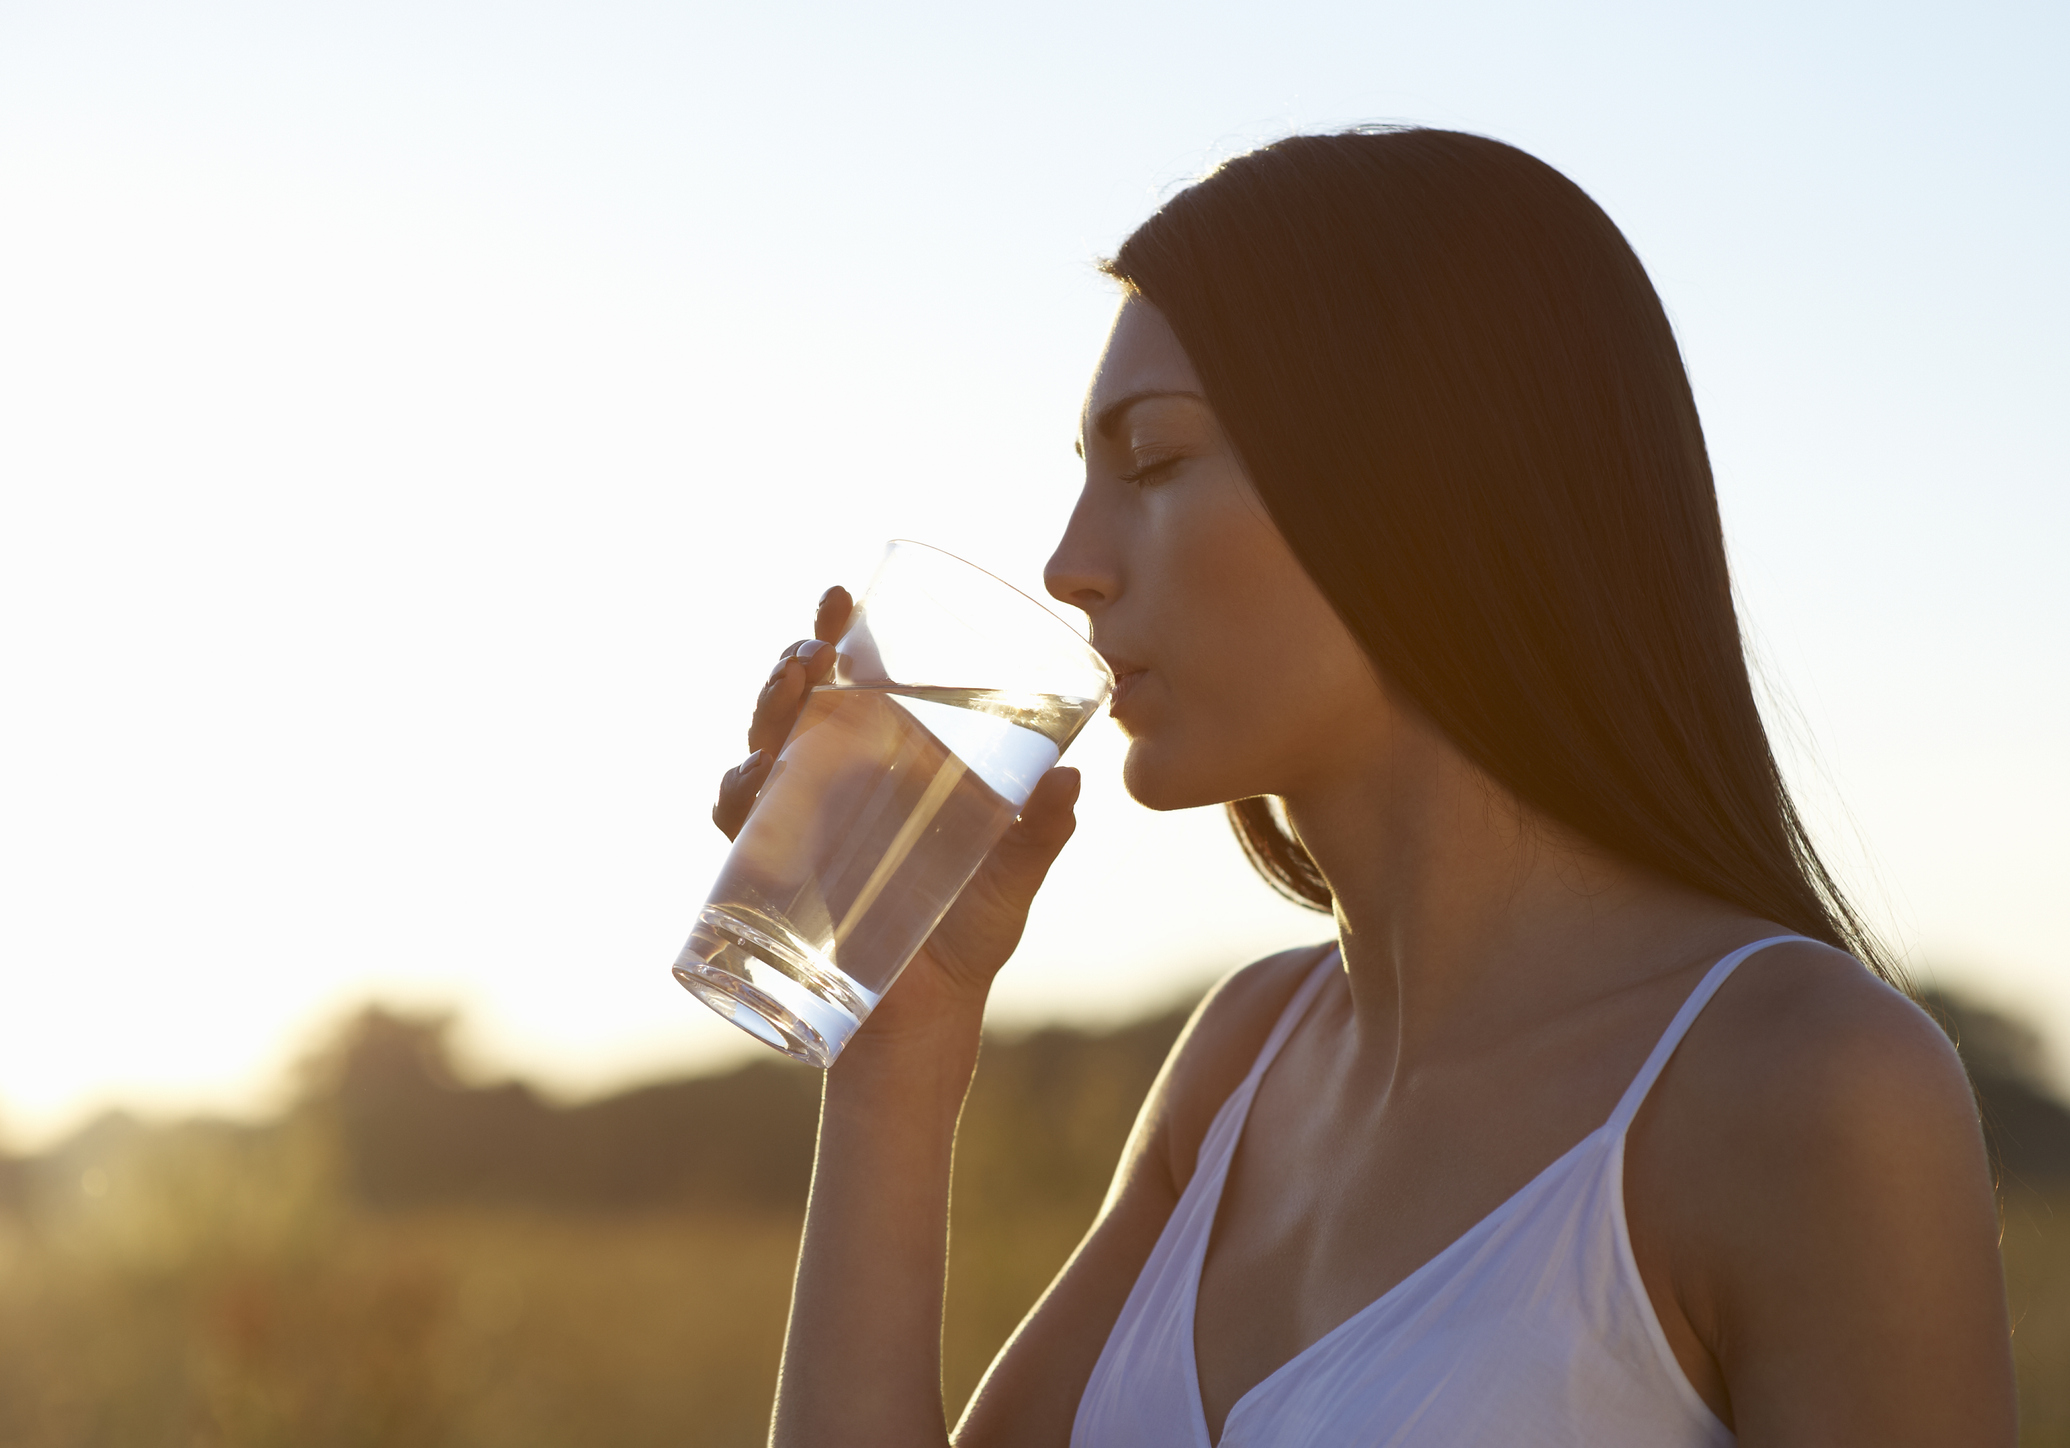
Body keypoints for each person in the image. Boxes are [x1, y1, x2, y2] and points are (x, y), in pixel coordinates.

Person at [716, 128, 2015, 1446]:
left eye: (1154, 460)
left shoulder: (1807, 1086)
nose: (1068, 563)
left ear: (1425, 482)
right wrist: (900, 1045)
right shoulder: (1240, 1063)